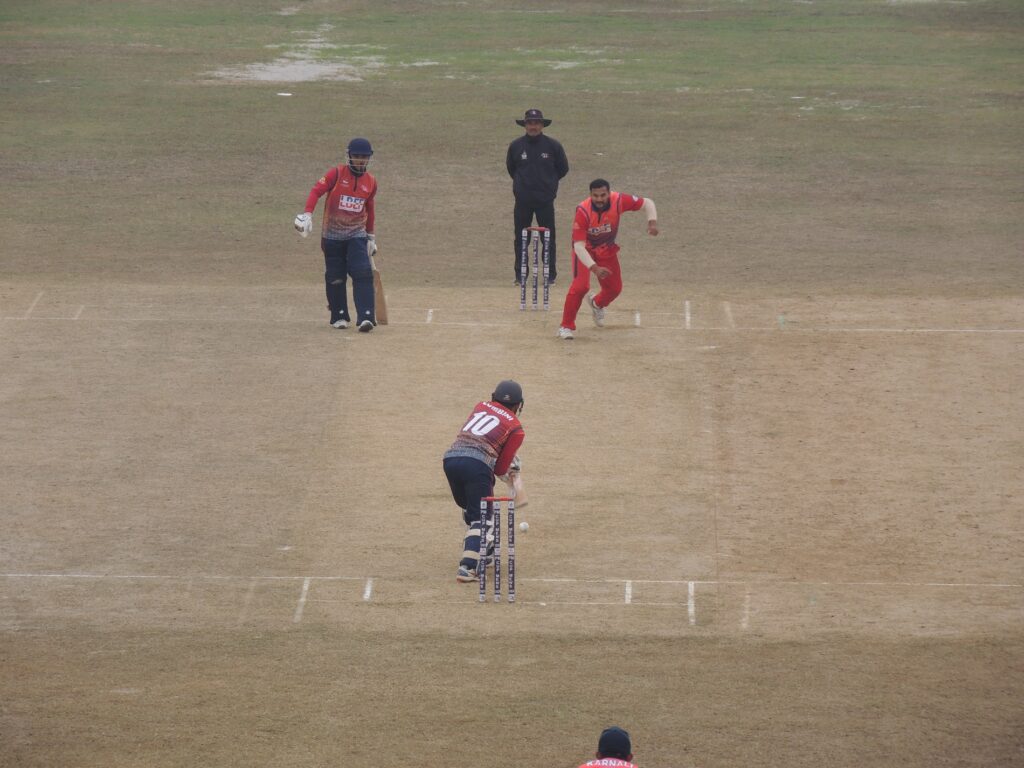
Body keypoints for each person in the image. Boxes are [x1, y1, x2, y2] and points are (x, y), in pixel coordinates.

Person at [443, 381, 525, 583]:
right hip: (477, 466)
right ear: (519, 405)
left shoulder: (481, 406)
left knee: (472, 509)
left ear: (493, 396)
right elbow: (498, 468)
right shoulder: (516, 429)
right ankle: (467, 567)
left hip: (450, 459)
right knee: (483, 517)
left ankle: (485, 549)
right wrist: (511, 473)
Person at [294, 137, 379, 332]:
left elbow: (370, 209)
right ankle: (338, 316)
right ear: (349, 155)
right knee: (335, 276)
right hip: (332, 235)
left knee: (362, 272)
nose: (360, 160)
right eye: (356, 156)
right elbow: (316, 191)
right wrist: (307, 213)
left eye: (364, 157)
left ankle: (366, 316)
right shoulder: (337, 173)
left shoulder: (371, 182)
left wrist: (371, 237)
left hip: (357, 234)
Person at [557, 179, 658, 340]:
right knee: (581, 286)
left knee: (615, 289)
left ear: (609, 193)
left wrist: (652, 222)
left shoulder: (619, 200)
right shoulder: (583, 210)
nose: (599, 199)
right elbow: (579, 247)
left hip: (606, 249)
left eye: (603, 195)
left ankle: (597, 304)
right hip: (584, 251)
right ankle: (565, 327)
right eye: (595, 195)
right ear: (590, 195)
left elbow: (647, 202)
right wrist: (594, 268)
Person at [506, 108, 569, 285]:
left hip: (545, 201)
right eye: (530, 123)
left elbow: (563, 169)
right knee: (521, 238)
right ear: (525, 125)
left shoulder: (553, 146)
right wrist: (522, 186)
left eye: (536, 123)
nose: (533, 126)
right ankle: (520, 276)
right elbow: (512, 169)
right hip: (523, 201)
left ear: (542, 125)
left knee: (548, 238)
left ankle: (550, 276)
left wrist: (548, 185)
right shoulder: (516, 146)